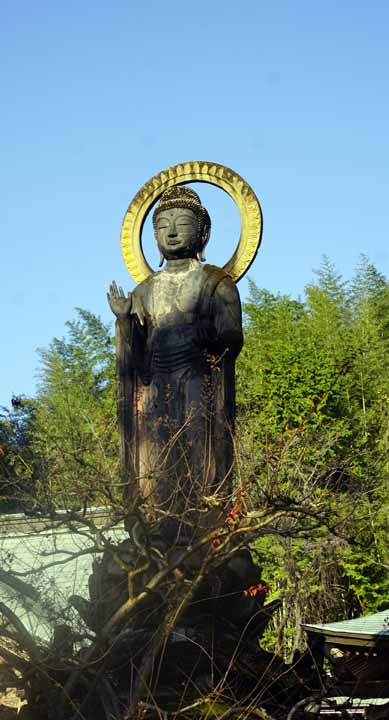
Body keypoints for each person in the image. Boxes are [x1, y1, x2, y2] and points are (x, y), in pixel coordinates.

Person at [108, 186, 243, 545]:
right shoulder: (143, 291)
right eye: (161, 226)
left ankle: (202, 524)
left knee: (198, 452)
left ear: (203, 232)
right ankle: (157, 525)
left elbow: (231, 338)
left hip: (197, 381)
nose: (170, 232)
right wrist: (124, 323)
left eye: (181, 223)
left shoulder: (216, 283)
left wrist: (205, 333)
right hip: (156, 387)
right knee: (155, 460)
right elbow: (136, 364)